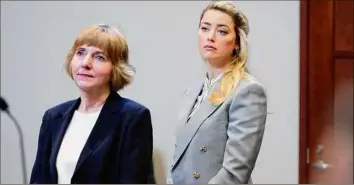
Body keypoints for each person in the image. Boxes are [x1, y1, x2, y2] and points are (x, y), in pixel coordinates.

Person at [30, 24, 155, 184]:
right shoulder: (53, 117)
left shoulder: (133, 117)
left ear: (116, 68)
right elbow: (39, 179)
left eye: (99, 57)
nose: (85, 63)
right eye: (80, 53)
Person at [168, 1, 267, 184]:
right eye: (205, 28)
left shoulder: (248, 90)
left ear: (237, 43)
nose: (210, 37)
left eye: (222, 31)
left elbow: (235, 173)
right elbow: (178, 159)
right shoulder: (193, 89)